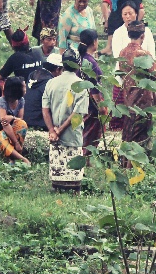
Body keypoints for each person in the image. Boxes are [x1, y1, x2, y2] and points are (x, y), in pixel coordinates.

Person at [42, 48, 90, 193]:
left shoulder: (51, 83)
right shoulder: (81, 85)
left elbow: (45, 109)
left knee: (57, 173)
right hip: (72, 136)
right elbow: (77, 114)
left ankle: (57, 189)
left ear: (62, 64)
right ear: (78, 65)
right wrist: (60, 130)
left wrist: (52, 131)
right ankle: (74, 192)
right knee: (73, 177)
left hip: (55, 138)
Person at [116, 21, 156, 160]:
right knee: (140, 135)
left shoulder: (122, 53)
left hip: (128, 97)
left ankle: (124, 162)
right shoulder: (143, 54)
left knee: (129, 131)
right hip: (143, 100)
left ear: (129, 34)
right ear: (143, 36)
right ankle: (133, 166)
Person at [0, 76, 30, 164]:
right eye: (24, 87)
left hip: (9, 133)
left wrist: (12, 117)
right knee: (0, 137)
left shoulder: (21, 100)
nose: (25, 89)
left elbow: (20, 118)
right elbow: (5, 125)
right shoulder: (2, 102)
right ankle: (22, 159)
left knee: (22, 123)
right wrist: (16, 142)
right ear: (16, 90)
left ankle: (15, 154)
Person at [78, 28, 105, 154]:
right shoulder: (91, 63)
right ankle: (85, 161)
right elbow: (94, 89)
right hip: (91, 106)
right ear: (94, 42)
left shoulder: (79, 59)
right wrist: (101, 107)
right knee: (89, 140)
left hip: (79, 102)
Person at [24, 52, 64, 130]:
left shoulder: (33, 74)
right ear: (57, 69)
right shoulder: (50, 83)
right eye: (62, 70)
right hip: (40, 123)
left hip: (25, 120)